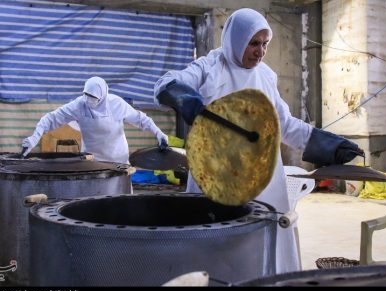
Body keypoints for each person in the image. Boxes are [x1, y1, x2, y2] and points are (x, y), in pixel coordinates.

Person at [154, 8, 364, 274]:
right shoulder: (210, 67)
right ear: (235, 40)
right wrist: (182, 96)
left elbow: (284, 125)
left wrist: (328, 144)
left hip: (263, 176)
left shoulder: (266, 75)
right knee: (216, 244)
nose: (261, 51)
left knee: (263, 244)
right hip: (217, 175)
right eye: (254, 43)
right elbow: (166, 83)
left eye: (265, 43)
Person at [22, 76, 168, 164]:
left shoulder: (116, 104)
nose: (89, 100)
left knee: (119, 203)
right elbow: (50, 119)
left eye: (94, 98)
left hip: (118, 162)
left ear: (103, 96)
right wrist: (34, 138)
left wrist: (159, 133)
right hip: (91, 162)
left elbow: (142, 119)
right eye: (86, 95)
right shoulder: (79, 105)